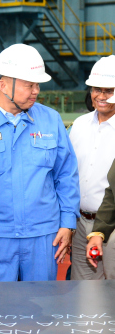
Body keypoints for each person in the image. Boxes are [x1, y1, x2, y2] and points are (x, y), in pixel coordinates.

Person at [0, 43, 80, 282]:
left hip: (44, 237)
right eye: (29, 84)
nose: (36, 91)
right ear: (3, 85)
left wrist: (67, 223)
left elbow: (66, 175)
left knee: (41, 312)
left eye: (37, 84)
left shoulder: (51, 120)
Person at [69, 56, 115, 279]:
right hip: (80, 224)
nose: (101, 96)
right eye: (97, 89)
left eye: (109, 90)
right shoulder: (79, 125)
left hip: (113, 227)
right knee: (86, 299)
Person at [85, 94, 115, 263]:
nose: (102, 96)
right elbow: (111, 192)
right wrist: (99, 232)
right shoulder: (80, 125)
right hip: (89, 220)